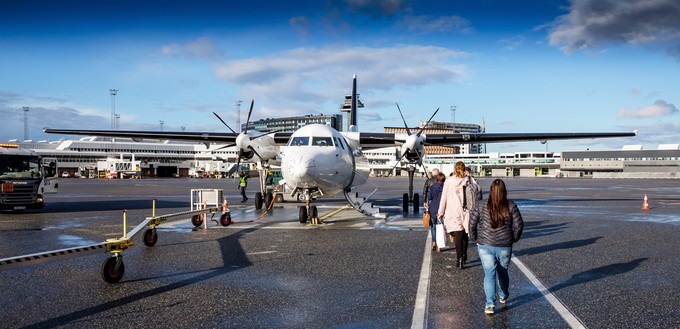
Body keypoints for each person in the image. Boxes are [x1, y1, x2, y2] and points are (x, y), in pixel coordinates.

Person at [469, 179, 524, 316]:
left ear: (491, 190)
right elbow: (519, 225)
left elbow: (472, 223)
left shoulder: (481, 205)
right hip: (504, 245)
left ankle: (489, 304)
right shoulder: (511, 206)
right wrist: (514, 238)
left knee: (489, 273)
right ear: (504, 191)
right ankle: (503, 294)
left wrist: (474, 237)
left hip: (485, 244)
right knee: (503, 271)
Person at [437, 161, 469, 269]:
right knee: (465, 235)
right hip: (466, 211)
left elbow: (444, 198)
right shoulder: (468, 180)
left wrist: (440, 212)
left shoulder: (449, 181)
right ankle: (464, 255)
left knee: (458, 236)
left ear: (455, 169)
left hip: (453, 212)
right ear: (464, 169)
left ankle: (459, 259)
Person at [426, 173, 445, 251]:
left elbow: (429, 197)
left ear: (437, 179)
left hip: (433, 208)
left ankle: (434, 242)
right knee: (440, 227)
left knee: (433, 227)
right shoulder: (445, 187)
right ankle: (439, 246)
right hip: (442, 209)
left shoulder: (432, 187)